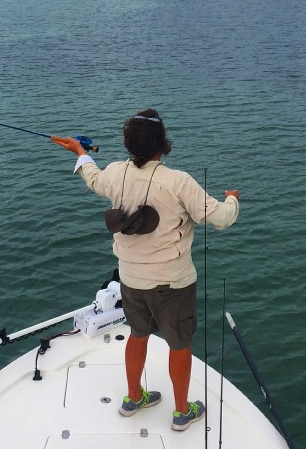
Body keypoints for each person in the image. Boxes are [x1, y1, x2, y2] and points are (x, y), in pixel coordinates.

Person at [52, 108, 239, 432]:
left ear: (129, 143)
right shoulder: (178, 182)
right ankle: (182, 412)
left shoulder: (114, 173)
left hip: (131, 279)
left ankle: (134, 397)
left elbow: (94, 178)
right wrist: (233, 200)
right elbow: (220, 218)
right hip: (173, 284)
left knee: (137, 335)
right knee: (179, 345)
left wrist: (81, 152)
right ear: (162, 143)